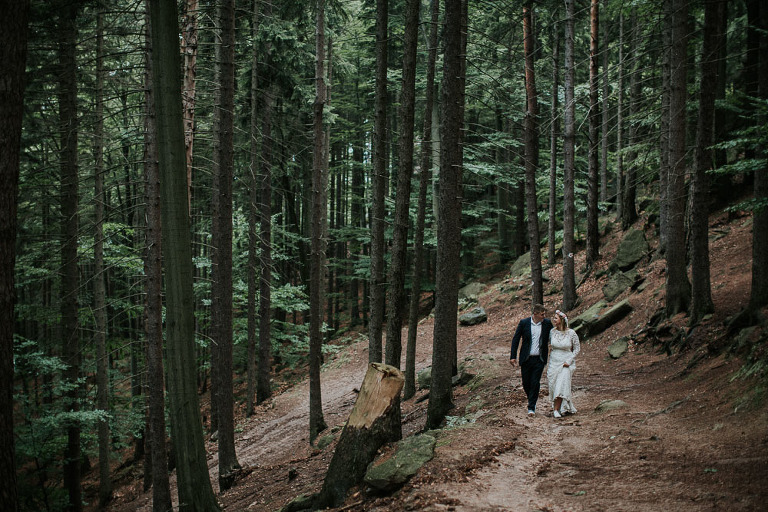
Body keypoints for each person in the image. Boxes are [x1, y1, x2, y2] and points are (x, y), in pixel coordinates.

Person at [509, 303, 553, 417]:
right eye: (542, 314)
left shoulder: (547, 323)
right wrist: (513, 356)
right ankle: (531, 398)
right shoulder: (524, 323)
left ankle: (531, 407)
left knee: (535, 382)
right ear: (535, 314)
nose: (544, 316)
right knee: (526, 383)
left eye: (544, 314)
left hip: (539, 359)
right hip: (526, 359)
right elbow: (516, 339)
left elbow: (554, 336)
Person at [548, 309, 581, 418]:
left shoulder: (571, 333)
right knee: (553, 385)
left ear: (561, 320)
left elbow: (577, 348)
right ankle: (563, 407)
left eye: (556, 318)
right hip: (554, 361)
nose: (554, 320)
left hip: (566, 362)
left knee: (561, 384)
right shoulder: (552, 332)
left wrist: (569, 360)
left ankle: (556, 410)